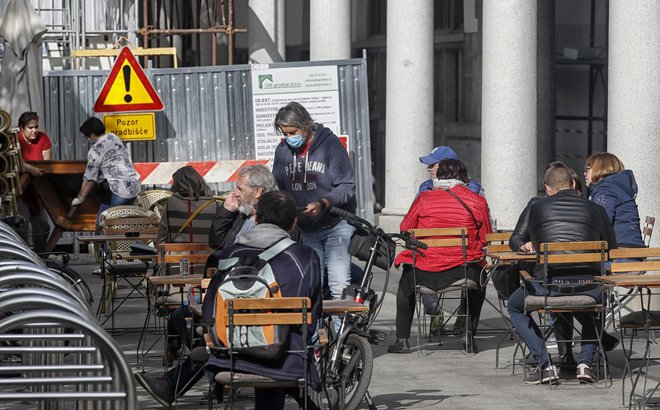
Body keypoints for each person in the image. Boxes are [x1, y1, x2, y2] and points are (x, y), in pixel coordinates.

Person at [135, 191, 322, 409]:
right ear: (294, 222)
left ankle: (171, 384)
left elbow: (209, 312)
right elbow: (314, 313)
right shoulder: (307, 257)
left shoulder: (230, 254)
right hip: (290, 358)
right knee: (280, 345)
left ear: (256, 218)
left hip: (231, 358)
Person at [507, 162, 617, 385]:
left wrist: (528, 246)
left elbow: (518, 240)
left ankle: (545, 364)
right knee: (597, 303)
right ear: (573, 183)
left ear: (548, 188)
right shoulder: (596, 209)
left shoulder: (536, 208)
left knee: (514, 306)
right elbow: (610, 247)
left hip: (548, 286)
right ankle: (585, 363)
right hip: (588, 286)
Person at [388, 158, 492, 354]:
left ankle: (402, 340)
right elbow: (486, 238)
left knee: (404, 285)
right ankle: (468, 335)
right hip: (463, 270)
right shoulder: (477, 201)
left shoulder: (424, 198)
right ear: (464, 178)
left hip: (422, 272)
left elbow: (405, 229)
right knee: (481, 277)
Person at [272, 101, 356, 302]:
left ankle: (340, 331)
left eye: (292, 132)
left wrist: (324, 203)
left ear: (306, 125)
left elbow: (347, 186)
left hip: (336, 224)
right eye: (285, 134)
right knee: (311, 285)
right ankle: (314, 333)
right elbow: (279, 187)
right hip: (306, 228)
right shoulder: (282, 152)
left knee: (339, 284)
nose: (289, 138)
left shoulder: (330, 145)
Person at [72, 117, 141, 220]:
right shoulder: (113, 137)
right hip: (135, 184)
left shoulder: (95, 150)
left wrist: (80, 198)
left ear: (92, 135)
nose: (87, 139)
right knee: (102, 220)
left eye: (86, 136)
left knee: (109, 225)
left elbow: (90, 179)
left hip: (121, 191)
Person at [208, 164, 278, 250]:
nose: (236, 193)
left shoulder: (275, 220)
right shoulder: (242, 213)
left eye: (240, 189)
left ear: (258, 192)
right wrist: (227, 210)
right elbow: (216, 243)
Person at [585, 152, 645, 249]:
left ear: (600, 169)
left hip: (621, 251)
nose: (584, 173)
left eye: (587, 169)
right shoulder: (615, 187)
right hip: (630, 246)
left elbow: (601, 223)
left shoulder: (605, 189)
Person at [16, 111, 52, 252]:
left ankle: (41, 255)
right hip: (21, 190)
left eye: (36, 127)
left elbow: (47, 164)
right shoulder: (15, 139)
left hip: (39, 190)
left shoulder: (43, 138)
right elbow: (15, 162)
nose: (34, 131)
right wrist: (30, 169)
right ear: (21, 128)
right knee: (22, 226)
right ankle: (23, 256)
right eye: (30, 128)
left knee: (43, 225)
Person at [156, 166, 218, 245]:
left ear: (176, 185)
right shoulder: (214, 205)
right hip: (207, 256)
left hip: (177, 256)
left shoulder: (171, 203)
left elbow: (161, 239)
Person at [418, 145, 484, 196]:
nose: (428, 169)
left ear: (448, 165)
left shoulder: (474, 188)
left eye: (433, 165)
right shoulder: (425, 187)